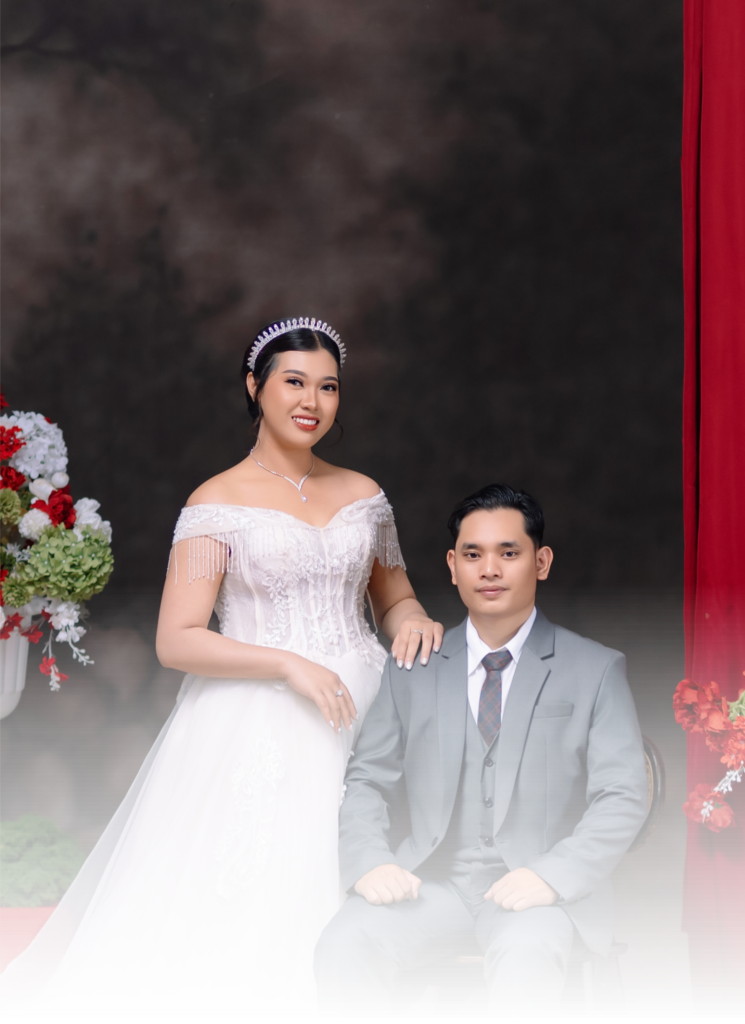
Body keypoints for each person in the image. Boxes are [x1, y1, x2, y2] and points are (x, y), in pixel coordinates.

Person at [0, 318, 442, 1017]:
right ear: (254, 387)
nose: (312, 401)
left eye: (327, 387)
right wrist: (288, 664)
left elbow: (394, 598)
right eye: (293, 382)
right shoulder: (215, 503)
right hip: (259, 712)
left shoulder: (364, 495)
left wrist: (413, 618)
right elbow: (177, 640)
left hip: (370, 707)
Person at [314, 483, 649, 1017]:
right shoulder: (413, 668)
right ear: (452, 566)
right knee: (344, 942)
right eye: (473, 555)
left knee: (525, 953)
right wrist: (370, 861)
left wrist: (551, 876)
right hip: (433, 885)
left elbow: (623, 795)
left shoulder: (594, 669)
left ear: (541, 562)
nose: (489, 570)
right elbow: (369, 781)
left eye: (508, 553)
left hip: (538, 890)